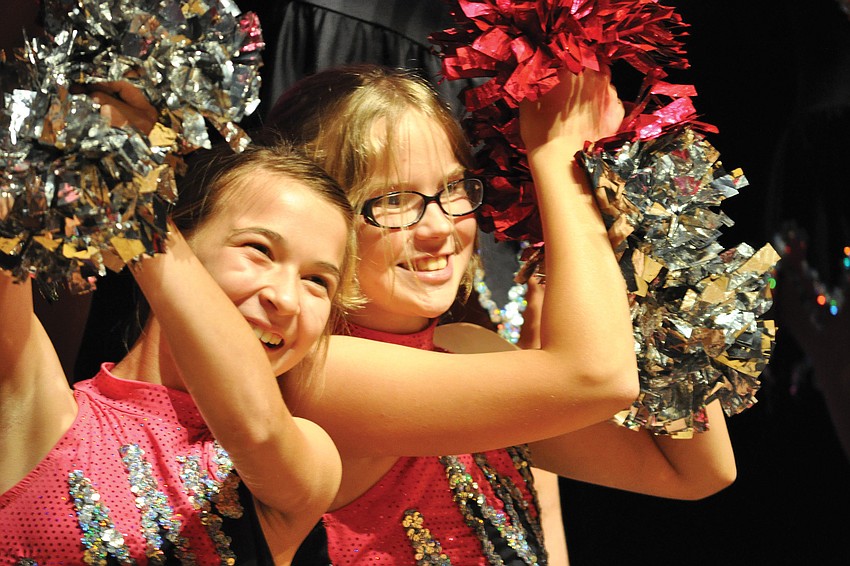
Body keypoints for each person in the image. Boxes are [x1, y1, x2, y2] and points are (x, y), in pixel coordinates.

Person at [258, 63, 736, 564]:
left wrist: (631, 220)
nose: (439, 229)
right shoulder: (315, 376)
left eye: (451, 189)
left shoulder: (467, 347)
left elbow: (696, 469)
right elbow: (598, 377)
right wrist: (554, 156)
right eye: (393, 200)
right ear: (315, 216)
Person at [0, 139, 359, 564]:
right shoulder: (42, 405)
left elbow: (256, 425)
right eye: (259, 250)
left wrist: (128, 202)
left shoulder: (310, 456)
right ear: (183, 238)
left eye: (318, 281)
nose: (287, 299)